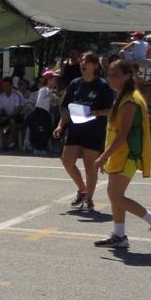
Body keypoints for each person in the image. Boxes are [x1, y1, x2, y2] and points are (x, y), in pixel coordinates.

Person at [93, 60, 151, 249]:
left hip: (127, 154)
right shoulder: (123, 96)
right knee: (115, 195)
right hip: (120, 154)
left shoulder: (130, 101)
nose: (111, 78)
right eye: (109, 74)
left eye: (115, 75)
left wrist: (104, 156)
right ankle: (119, 235)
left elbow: (123, 135)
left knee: (116, 196)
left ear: (128, 76)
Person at [54, 52, 113, 212]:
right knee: (67, 161)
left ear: (95, 66)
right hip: (75, 128)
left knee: (89, 166)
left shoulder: (102, 86)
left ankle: (89, 198)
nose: (83, 63)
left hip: (94, 129)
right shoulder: (75, 84)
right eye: (82, 61)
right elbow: (66, 107)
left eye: (87, 61)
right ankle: (82, 189)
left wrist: (95, 113)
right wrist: (61, 125)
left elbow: (111, 110)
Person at [0, 76, 26, 150]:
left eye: (7, 86)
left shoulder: (17, 94)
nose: (4, 88)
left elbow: (17, 110)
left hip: (18, 117)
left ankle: (11, 145)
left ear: (11, 86)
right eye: (3, 86)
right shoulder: (1, 96)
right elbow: (0, 109)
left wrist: (7, 117)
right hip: (6, 116)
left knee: (12, 121)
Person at [27, 70, 59, 155]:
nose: (55, 80)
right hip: (40, 111)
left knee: (47, 130)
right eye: (54, 79)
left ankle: (41, 147)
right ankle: (37, 148)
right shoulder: (44, 89)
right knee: (41, 130)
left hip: (46, 112)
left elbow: (53, 102)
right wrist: (51, 97)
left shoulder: (50, 90)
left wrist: (53, 99)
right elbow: (39, 102)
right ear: (48, 79)